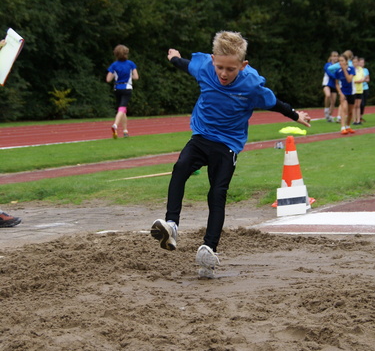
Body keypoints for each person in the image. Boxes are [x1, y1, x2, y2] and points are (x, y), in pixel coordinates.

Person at [150, 31, 311, 278]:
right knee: (180, 167)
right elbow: (186, 66)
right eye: (220, 67)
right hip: (202, 136)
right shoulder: (205, 67)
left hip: (227, 145)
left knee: (217, 193)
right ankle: (172, 225)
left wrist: (295, 115)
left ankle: (208, 249)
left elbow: (274, 103)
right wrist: (174, 58)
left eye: (231, 69)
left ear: (243, 65)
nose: (224, 74)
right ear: (213, 60)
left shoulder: (251, 85)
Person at [106, 44, 139, 138]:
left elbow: (108, 79)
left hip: (117, 88)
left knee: (122, 109)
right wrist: (129, 77)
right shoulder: (130, 64)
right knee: (122, 108)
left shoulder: (114, 65)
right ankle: (115, 125)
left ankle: (125, 131)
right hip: (127, 87)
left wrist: (116, 76)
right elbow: (136, 77)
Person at [327, 51, 355, 135]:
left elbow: (349, 80)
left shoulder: (351, 69)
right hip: (343, 92)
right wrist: (340, 93)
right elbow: (336, 84)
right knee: (344, 109)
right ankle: (342, 127)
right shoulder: (337, 71)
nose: (340, 62)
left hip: (352, 92)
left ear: (346, 61)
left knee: (350, 112)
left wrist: (344, 70)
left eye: (342, 60)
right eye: (339, 61)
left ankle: (348, 126)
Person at [322, 51, 339, 122]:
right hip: (327, 84)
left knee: (333, 102)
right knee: (328, 95)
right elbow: (330, 73)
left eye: (336, 56)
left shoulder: (338, 66)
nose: (335, 58)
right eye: (334, 56)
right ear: (331, 57)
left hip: (334, 85)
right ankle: (326, 110)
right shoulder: (327, 65)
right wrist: (337, 76)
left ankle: (329, 116)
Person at [352, 56, 365, 125]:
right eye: (354, 62)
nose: (355, 63)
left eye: (356, 62)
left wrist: (361, 80)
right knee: (354, 105)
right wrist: (357, 81)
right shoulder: (351, 69)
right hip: (354, 89)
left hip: (360, 89)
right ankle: (354, 120)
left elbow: (363, 77)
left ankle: (358, 120)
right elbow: (351, 79)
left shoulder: (360, 69)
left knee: (358, 105)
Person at [359, 57, 370, 121]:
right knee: (361, 103)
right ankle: (357, 116)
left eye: (362, 63)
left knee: (364, 103)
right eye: (360, 62)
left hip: (365, 88)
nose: (361, 64)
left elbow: (368, 79)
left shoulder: (366, 70)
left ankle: (361, 116)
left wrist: (364, 79)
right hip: (359, 88)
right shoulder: (356, 70)